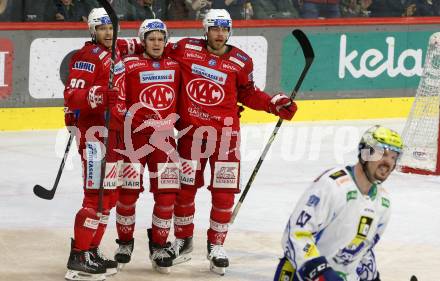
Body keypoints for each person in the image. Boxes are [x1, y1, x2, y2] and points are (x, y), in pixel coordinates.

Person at [164, 8, 298, 275]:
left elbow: (248, 93)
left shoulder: (240, 61)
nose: (220, 34)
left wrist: (274, 103)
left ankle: (216, 245)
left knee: (224, 194)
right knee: (185, 189)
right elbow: (152, 47)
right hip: (191, 134)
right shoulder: (184, 48)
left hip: (226, 137)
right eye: (215, 28)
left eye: (225, 29)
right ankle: (183, 241)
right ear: (206, 29)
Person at [63, 7, 142, 281]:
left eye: (110, 27)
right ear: (92, 31)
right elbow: (72, 95)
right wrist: (96, 94)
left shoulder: (118, 46)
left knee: (107, 197)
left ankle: (91, 251)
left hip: (115, 134)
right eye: (102, 28)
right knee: (94, 196)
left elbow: (143, 42)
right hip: (96, 135)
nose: (107, 32)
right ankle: (78, 257)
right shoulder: (87, 58)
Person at [274, 125, 403, 281]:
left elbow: (363, 250)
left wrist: (372, 278)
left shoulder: (383, 203)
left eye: (394, 157)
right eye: (382, 153)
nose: (388, 162)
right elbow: (296, 234)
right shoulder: (332, 185)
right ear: (365, 153)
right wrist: (321, 274)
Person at [113, 18, 181, 274]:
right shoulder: (128, 63)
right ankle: (125, 243)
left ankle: (160, 245)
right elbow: (108, 47)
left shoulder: (176, 65)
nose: (156, 43)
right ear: (142, 41)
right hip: (133, 140)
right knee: (127, 193)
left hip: (164, 140)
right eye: (151, 38)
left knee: (167, 195)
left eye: (160, 38)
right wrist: (131, 44)